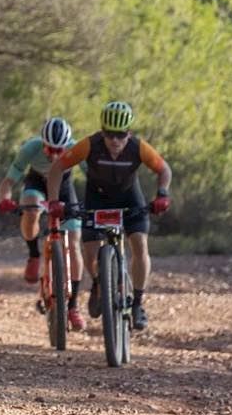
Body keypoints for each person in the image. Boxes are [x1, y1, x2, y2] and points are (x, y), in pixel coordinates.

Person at [45, 100, 171, 331]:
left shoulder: (138, 147)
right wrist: (54, 202)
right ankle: (98, 282)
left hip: (130, 198)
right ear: (102, 131)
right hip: (97, 198)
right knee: (90, 252)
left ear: (129, 133)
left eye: (120, 135)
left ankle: (138, 304)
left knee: (139, 245)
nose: (115, 140)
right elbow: (57, 168)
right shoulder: (89, 145)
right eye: (109, 134)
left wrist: (162, 194)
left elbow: (163, 169)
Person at [0, 116, 86, 331]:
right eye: (50, 149)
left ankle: (73, 306)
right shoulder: (31, 148)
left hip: (63, 186)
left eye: (59, 150)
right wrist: (5, 199)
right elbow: (9, 180)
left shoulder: (77, 149)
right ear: (42, 143)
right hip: (36, 183)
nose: (55, 155)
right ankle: (34, 254)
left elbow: (93, 175)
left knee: (74, 242)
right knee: (31, 207)